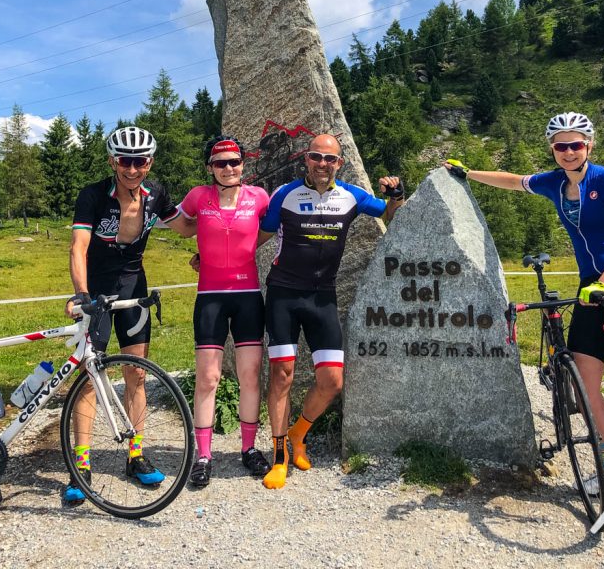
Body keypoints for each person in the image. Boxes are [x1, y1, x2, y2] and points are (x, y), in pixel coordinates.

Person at [444, 112, 604, 513]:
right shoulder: (554, 183)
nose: (568, 152)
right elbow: (513, 180)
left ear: (589, 146)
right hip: (590, 287)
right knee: (583, 382)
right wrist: (467, 172)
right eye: (560, 145)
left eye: (576, 144)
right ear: (553, 149)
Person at [258, 133, 405, 489]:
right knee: (282, 375)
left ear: (340, 163)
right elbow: (258, 236)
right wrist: (216, 256)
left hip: (323, 297)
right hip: (283, 294)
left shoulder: (351, 196)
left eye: (330, 159)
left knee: (332, 381)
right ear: (305, 160)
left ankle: (298, 434)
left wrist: (396, 194)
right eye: (316, 157)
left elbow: (387, 213)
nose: (322, 164)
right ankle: (278, 457)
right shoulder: (285, 194)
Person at [63, 125, 194, 504]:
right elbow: (78, 247)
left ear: (149, 162)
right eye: (125, 161)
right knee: (89, 378)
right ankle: (82, 463)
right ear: (112, 161)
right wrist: (81, 294)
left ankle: (135, 455)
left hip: (133, 286)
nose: (132, 169)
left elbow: (183, 227)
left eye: (139, 161)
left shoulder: (157, 195)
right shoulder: (92, 195)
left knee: (136, 374)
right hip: (97, 289)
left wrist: (217, 214)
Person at [177, 136, 274, 487]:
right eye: (221, 163)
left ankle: (248, 449)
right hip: (211, 297)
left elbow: (269, 229)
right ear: (210, 168)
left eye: (235, 162)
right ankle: (203, 455)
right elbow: (179, 224)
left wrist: (244, 250)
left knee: (250, 376)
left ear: (243, 165)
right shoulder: (197, 197)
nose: (229, 168)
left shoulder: (259, 197)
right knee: (208, 378)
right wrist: (204, 252)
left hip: (248, 295)